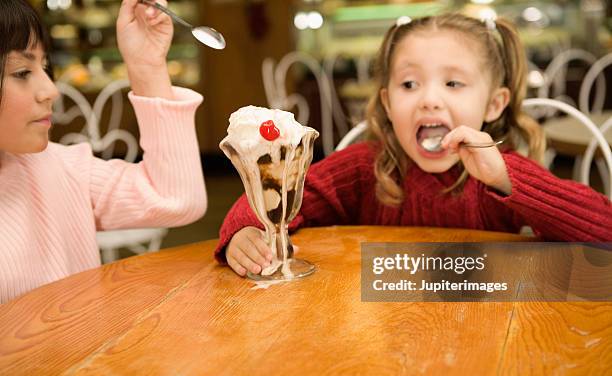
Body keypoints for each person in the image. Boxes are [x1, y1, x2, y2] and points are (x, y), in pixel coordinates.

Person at [216, 13, 612, 277]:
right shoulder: (363, 168)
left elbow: (604, 230)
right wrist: (245, 232)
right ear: (388, 102)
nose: (429, 99)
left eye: (453, 83)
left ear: (494, 104)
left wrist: (509, 179)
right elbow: (276, 200)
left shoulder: (501, 174)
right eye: (409, 84)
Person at [0, 0, 207, 302]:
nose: (51, 90)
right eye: (21, 72)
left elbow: (176, 199)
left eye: (45, 67)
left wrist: (147, 66)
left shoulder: (61, 168)